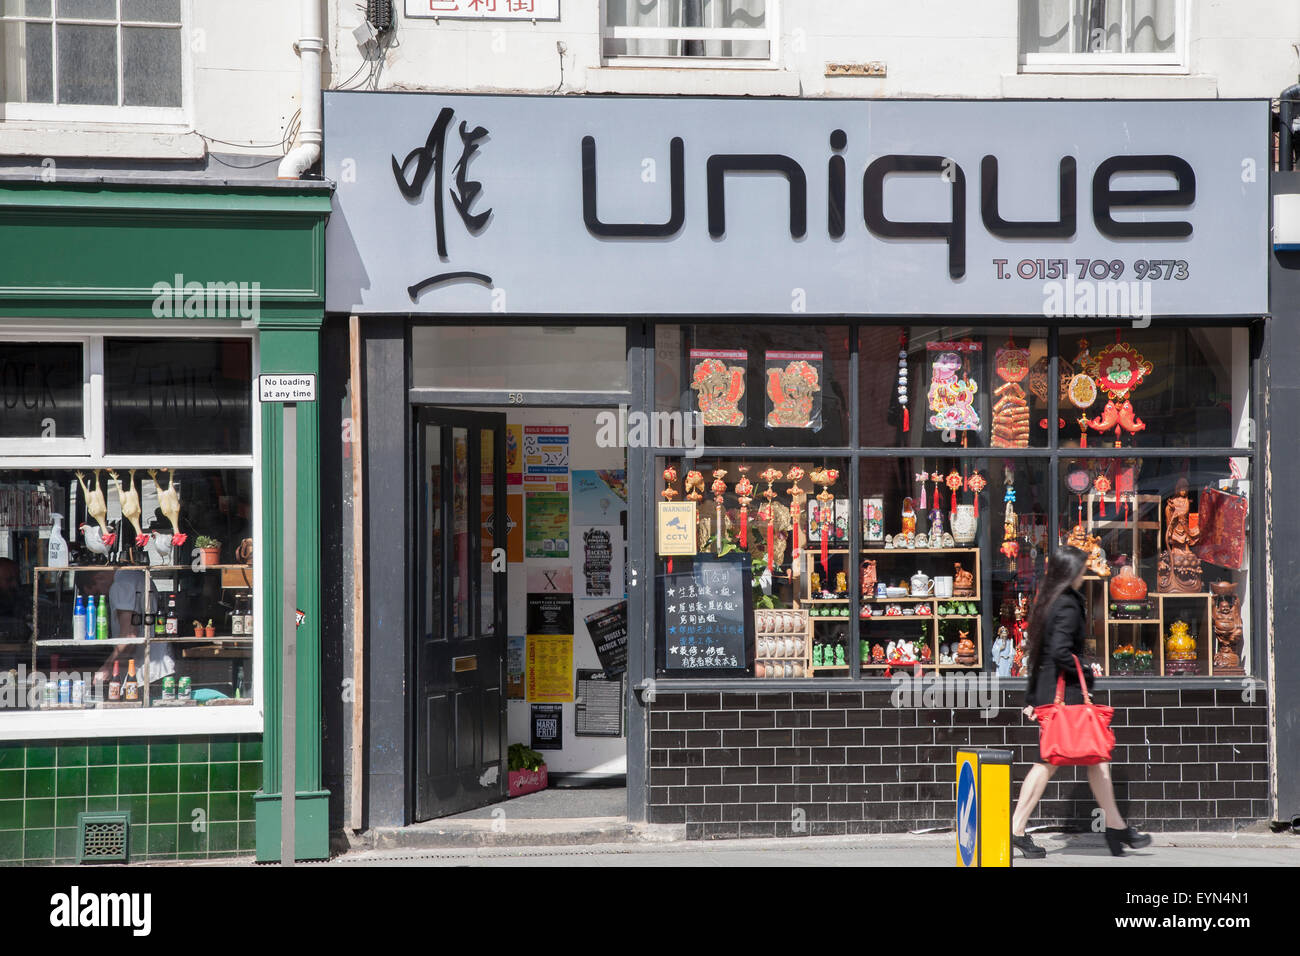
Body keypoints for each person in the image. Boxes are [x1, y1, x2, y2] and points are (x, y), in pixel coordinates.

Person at [1011, 546, 1152, 859]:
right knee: (1053, 760)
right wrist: (1087, 668)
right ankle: (1017, 829)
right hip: (1068, 693)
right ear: (1071, 572)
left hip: (1052, 690)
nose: (1085, 572)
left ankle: (1116, 828)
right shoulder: (1069, 604)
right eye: (1082, 567)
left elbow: (1039, 655)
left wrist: (1032, 698)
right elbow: (1061, 652)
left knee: (1091, 758)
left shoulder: (1048, 600)